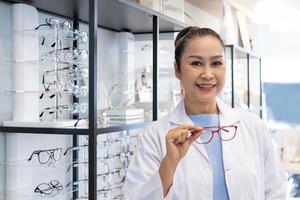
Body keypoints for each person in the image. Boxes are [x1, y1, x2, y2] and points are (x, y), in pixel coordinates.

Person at [123, 27, 287, 200]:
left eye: (216, 63)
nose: (208, 74)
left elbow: (276, 191)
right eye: (196, 63)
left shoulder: (253, 126)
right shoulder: (154, 135)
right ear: (177, 70)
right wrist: (169, 163)